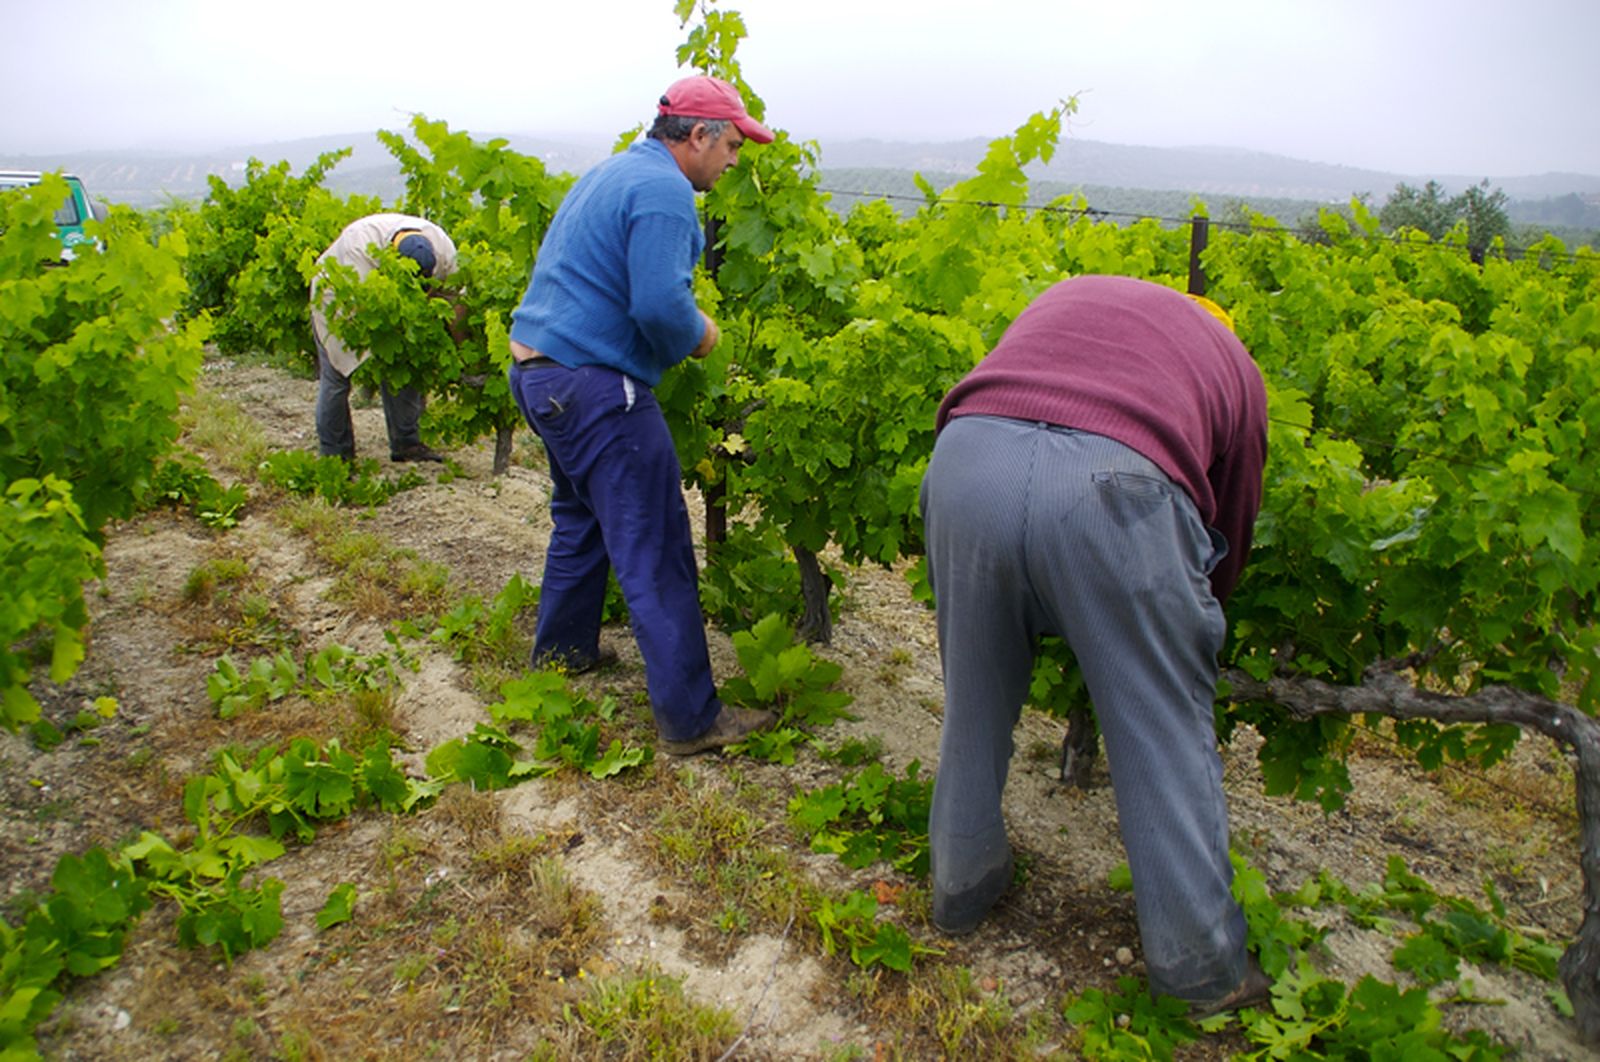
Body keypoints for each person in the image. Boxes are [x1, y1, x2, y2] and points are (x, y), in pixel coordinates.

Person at [918, 274, 1272, 1015]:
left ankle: (959, 887)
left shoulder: (1072, 295)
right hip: (1114, 488)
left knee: (974, 703)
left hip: (967, 461)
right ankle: (1200, 972)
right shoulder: (1234, 365)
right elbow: (1232, 521)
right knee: (1162, 735)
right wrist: (1182, 624)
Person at [506, 75, 778, 756]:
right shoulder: (664, 191)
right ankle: (691, 720)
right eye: (732, 146)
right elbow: (658, 306)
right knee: (655, 544)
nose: (734, 161)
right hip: (596, 387)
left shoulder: (613, 173)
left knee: (581, 521)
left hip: (540, 375)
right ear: (698, 136)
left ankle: (563, 655)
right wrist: (701, 334)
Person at [311, 213, 459, 463]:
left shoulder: (443, 247)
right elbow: (365, 312)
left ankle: (406, 444)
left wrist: (460, 348)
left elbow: (455, 302)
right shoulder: (359, 249)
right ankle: (336, 455)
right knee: (337, 375)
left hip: (391, 305)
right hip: (337, 297)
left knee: (403, 368)